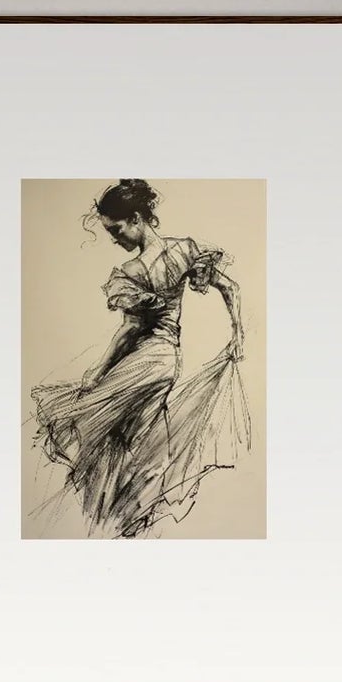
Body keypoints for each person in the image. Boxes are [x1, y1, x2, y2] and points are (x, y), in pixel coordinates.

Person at [30, 179, 251, 538]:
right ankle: (131, 520)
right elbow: (231, 288)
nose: (114, 240)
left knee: (96, 424)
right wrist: (237, 333)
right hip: (168, 361)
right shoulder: (185, 250)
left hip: (147, 361)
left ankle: (117, 518)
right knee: (139, 439)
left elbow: (129, 331)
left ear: (136, 218)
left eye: (115, 230)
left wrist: (97, 370)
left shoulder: (131, 272)